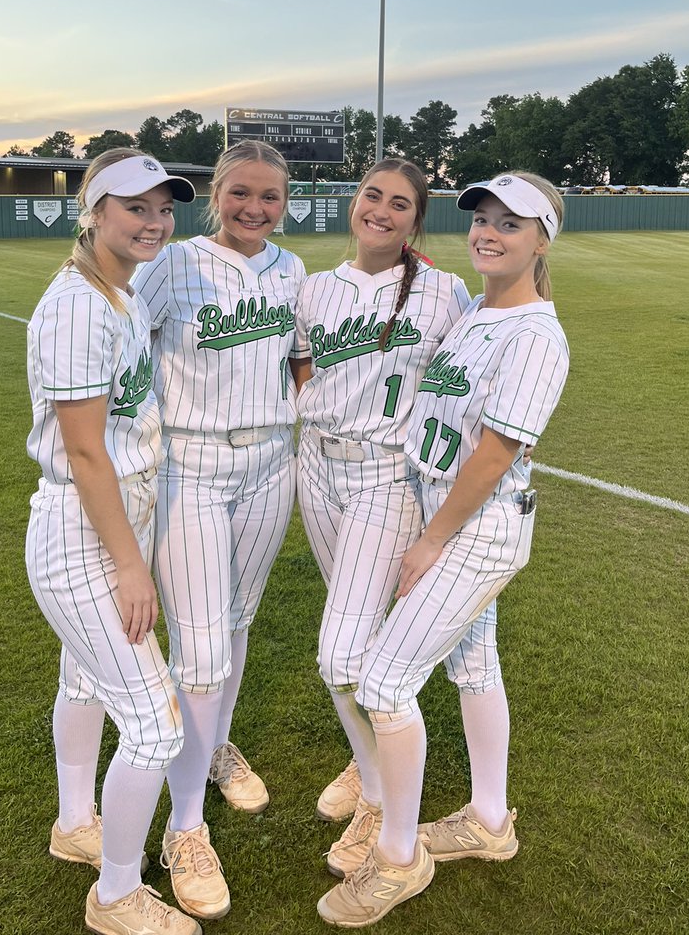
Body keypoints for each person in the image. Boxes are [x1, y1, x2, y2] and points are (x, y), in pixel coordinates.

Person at [317, 171, 570, 927]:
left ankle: (398, 856)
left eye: (511, 224)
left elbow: (496, 452)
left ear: (542, 239)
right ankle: (490, 820)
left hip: (477, 524)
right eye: (483, 219)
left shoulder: (535, 333)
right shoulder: (476, 311)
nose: (489, 232)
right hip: (447, 508)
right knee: (473, 662)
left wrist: (429, 541)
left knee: (385, 682)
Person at [25, 149, 200, 935]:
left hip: (107, 514)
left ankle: (74, 825)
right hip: (86, 528)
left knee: (87, 684)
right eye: (135, 206)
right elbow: (87, 451)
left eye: (163, 207)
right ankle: (118, 896)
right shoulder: (77, 306)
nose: (154, 220)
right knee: (156, 724)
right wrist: (132, 564)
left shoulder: (117, 294)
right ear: (93, 211)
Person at [133, 139, 307, 921]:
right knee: (198, 649)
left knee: (236, 626)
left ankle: (214, 750)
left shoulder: (293, 270)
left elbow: (299, 363)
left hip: (272, 461)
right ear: (216, 194)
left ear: (285, 201)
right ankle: (184, 829)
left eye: (269, 196)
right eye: (241, 192)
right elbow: (121, 355)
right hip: (191, 467)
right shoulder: (173, 263)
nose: (255, 208)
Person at [292, 159, 472, 876]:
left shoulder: (442, 292)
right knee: (355, 634)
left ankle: (380, 802)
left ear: (415, 220)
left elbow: (469, 378)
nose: (382, 211)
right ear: (354, 201)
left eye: (401, 204)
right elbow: (301, 366)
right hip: (317, 467)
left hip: (385, 476)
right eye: (373, 196)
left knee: (339, 653)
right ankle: (366, 762)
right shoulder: (314, 289)